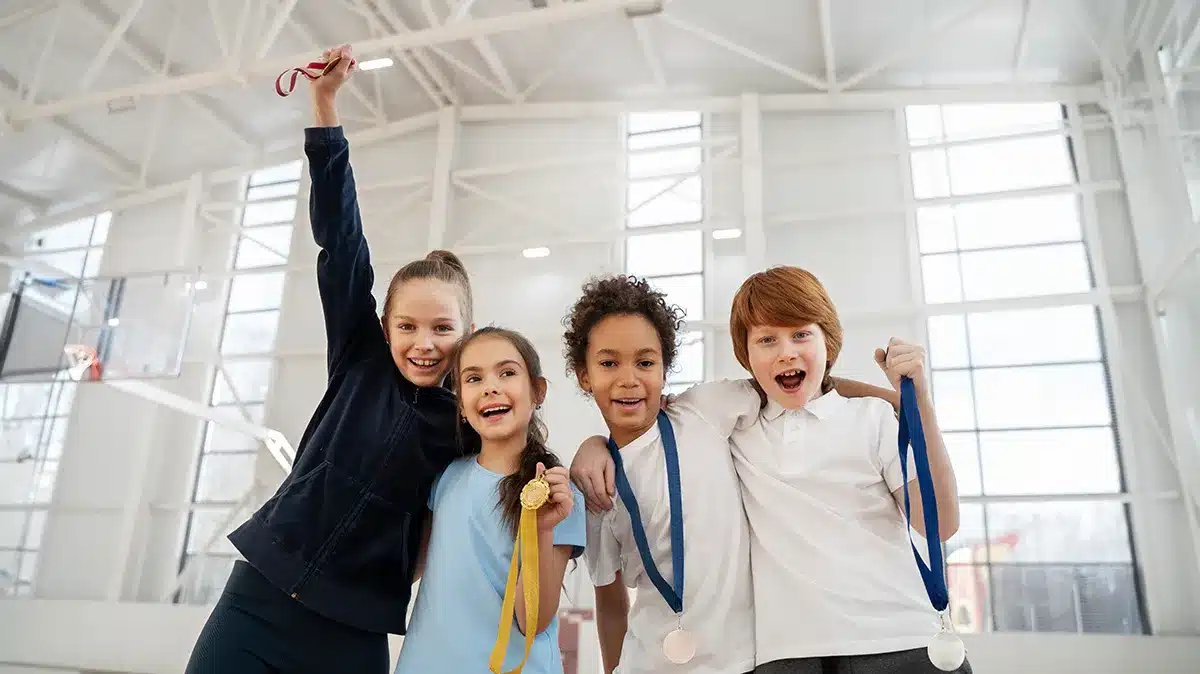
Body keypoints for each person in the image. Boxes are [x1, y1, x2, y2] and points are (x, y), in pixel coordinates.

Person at [185, 45, 474, 674]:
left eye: (442, 328)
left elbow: (512, 467)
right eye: (407, 326)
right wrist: (325, 105)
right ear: (383, 327)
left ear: (466, 333)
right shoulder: (359, 360)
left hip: (355, 627)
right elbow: (340, 239)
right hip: (259, 598)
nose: (423, 342)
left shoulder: (465, 425)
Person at [572, 266, 970, 674]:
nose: (786, 352)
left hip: (890, 640)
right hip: (763, 657)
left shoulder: (864, 419)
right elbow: (610, 595)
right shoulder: (603, 481)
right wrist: (593, 445)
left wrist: (907, 402)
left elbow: (940, 523)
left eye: (801, 335)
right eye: (767, 340)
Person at [395, 327, 585, 674]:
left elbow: (533, 622)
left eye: (508, 373)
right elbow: (410, 569)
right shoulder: (446, 478)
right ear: (462, 405)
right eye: (473, 378)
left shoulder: (559, 496)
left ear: (537, 392)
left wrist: (542, 531)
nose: (490, 387)